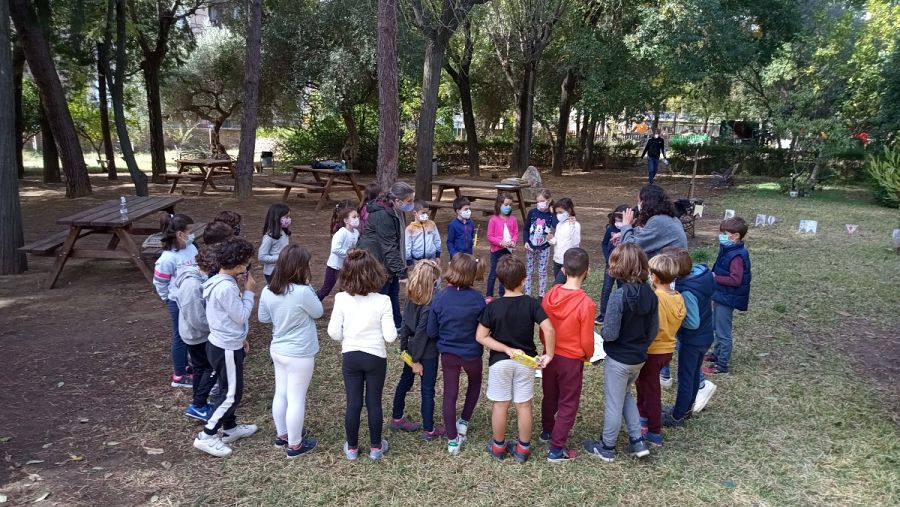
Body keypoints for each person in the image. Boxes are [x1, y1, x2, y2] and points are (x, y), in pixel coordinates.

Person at [583, 243, 658, 463]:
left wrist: (602, 333)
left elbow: (611, 333)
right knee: (625, 395)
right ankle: (637, 440)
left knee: (613, 402)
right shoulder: (651, 294)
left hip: (618, 359)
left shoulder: (619, 296)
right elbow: (653, 329)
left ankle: (607, 447)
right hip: (638, 358)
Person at [477, 255, 555, 463]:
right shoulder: (531, 304)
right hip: (525, 362)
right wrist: (549, 354)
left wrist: (505, 349)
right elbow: (548, 328)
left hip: (500, 363)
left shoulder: (493, 306)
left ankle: (498, 447)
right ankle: (523, 449)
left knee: (500, 405)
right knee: (524, 406)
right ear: (523, 279)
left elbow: (481, 336)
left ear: (500, 281)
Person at [327, 249, 398, 461]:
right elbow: (391, 336)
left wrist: (347, 337)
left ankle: (352, 448)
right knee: (374, 401)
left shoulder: (341, 299)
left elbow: (333, 332)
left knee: (353, 402)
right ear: (375, 273)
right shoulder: (383, 301)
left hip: (351, 356)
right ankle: (376, 447)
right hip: (375, 357)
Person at [193, 237, 258, 458]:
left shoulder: (219, 281)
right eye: (247, 262)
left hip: (224, 342)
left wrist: (241, 338)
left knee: (225, 387)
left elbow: (225, 318)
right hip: (226, 348)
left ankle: (230, 428)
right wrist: (249, 291)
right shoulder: (225, 288)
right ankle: (207, 435)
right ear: (239, 264)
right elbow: (240, 315)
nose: (248, 267)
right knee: (232, 394)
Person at [258, 245, 323, 458]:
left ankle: (283, 435)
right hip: (300, 353)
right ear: (299, 268)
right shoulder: (303, 292)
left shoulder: (268, 290)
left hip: (278, 349)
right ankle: (295, 445)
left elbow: (263, 318)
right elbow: (318, 312)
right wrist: (308, 288)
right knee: (296, 398)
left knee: (282, 393)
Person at [539, 247, 595, 462]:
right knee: (568, 402)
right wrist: (587, 355)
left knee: (550, 395)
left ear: (563, 269)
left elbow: (544, 328)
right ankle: (556, 448)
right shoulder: (586, 304)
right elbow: (587, 339)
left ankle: (547, 430)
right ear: (587, 271)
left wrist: (547, 348)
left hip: (550, 355)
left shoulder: (550, 295)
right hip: (572, 360)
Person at [428, 253, 486, 455]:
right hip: (472, 353)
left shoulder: (440, 297)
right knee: (475, 382)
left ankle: (452, 439)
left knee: (450, 393)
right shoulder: (478, 299)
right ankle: (464, 421)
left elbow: (432, 331)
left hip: (448, 353)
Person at [663, 248, 717, 428]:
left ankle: (678, 416)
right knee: (693, 374)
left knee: (686, 377)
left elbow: (692, 322)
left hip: (693, 339)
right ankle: (686, 409)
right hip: (706, 335)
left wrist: (675, 319)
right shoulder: (702, 275)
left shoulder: (686, 290)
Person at [390, 260, 444, 440]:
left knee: (404, 382)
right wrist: (415, 361)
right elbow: (422, 333)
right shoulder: (429, 305)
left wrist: (404, 349)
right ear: (431, 281)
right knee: (427, 389)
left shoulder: (410, 298)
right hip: (426, 353)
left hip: (411, 349)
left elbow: (404, 325)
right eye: (436, 280)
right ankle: (429, 430)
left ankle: (396, 417)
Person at [635, 253, 685, 447]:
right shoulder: (677, 297)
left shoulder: (656, 298)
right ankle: (643, 417)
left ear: (654, 277)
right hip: (667, 349)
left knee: (652, 390)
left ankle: (654, 431)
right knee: (645, 385)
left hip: (653, 350)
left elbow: (652, 325)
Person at [357, 181, 415, 329]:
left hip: (387, 262)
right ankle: (375, 327)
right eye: (409, 201)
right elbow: (389, 247)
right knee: (380, 295)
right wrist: (402, 274)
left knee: (392, 293)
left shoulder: (395, 210)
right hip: (377, 262)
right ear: (397, 200)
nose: (412, 204)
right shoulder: (384, 215)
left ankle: (396, 323)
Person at [171, 246, 218, 422]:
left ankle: (199, 403)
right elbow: (197, 319)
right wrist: (215, 327)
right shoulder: (192, 285)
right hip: (197, 336)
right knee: (211, 368)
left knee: (200, 368)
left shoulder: (195, 279)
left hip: (196, 334)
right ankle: (198, 404)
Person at [153, 213, 198, 388]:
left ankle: (189, 366)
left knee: (192, 333)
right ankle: (179, 375)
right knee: (180, 337)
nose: (192, 235)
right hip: (177, 302)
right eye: (190, 232)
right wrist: (169, 298)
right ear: (180, 234)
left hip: (192, 299)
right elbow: (160, 282)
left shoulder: (191, 247)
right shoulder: (167, 259)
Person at [703, 217, 752, 375]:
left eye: (725, 233)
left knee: (723, 331)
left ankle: (722, 364)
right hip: (720, 295)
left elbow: (735, 280)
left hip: (727, 297)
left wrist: (714, 277)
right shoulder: (729, 249)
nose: (721, 236)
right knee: (716, 326)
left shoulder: (736, 256)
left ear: (736, 236)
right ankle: (716, 354)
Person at [619, 184, 688, 258]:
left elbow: (629, 249)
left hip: (669, 267)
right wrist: (628, 231)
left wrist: (626, 226)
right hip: (675, 265)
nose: (638, 204)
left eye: (639, 201)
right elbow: (645, 233)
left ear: (645, 203)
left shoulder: (658, 221)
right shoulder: (672, 219)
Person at [316, 206, 360, 300]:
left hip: (347, 266)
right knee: (326, 289)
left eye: (357, 217)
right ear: (346, 220)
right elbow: (335, 249)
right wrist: (349, 253)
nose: (357, 219)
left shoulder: (356, 232)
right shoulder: (341, 233)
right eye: (354, 217)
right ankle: (313, 303)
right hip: (335, 266)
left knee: (346, 289)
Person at [596, 205, 629, 324]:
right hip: (610, 264)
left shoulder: (629, 231)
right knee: (606, 288)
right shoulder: (610, 229)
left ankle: (622, 312)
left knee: (622, 288)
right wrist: (607, 258)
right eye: (616, 220)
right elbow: (604, 244)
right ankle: (603, 314)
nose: (618, 223)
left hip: (623, 266)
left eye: (621, 220)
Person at [523, 189, 556, 298]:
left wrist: (553, 213)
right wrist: (526, 241)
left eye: (542, 201)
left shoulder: (551, 215)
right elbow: (526, 229)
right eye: (538, 201)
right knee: (529, 271)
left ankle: (541, 295)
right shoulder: (532, 212)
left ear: (549, 200)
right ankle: (527, 294)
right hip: (530, 247)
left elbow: (556, 225)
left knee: (542, 272)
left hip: (544, 247)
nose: (540, 203)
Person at [486, 192, 519, 298]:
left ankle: (503, 295)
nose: (508, 207)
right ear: (499, 205)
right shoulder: (493, 220)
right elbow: (490, 236)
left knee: (505, 273)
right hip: (496, 251)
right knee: (494, 273)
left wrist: (513, 241)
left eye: (510, 205)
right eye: (506, 205)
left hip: (508, 251)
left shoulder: (513, 219)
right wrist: (500, 242)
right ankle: (489, 295)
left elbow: (515, 233)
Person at [548, 197, 580, 285]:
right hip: (557, 259)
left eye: (560, 212)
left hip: (567, 261)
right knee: (559, 287)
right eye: (557, 213)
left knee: (557, 284)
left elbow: (575, 243)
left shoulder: (575, 225)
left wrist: (572, 227)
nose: (558, 215)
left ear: (569, 211)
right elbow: (557, 242)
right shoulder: (559, 225)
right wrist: (551, 239)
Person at [259, 203, 292, 284]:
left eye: (289, 217)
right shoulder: (269, 237)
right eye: (286, 217)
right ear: (276, 218)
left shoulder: (284, 233)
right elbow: (261, 257)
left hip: (283, 271)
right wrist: (281, 258)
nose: (288, 219)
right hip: (272, 273)